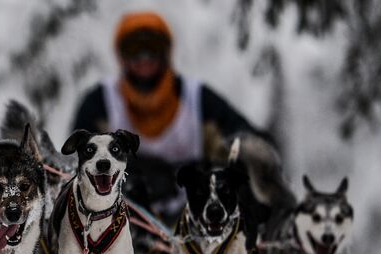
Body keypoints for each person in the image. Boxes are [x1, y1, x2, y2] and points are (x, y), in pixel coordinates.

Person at [72, 10, 265, 222]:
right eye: (134, 49)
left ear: (166, 52)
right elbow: (77, 164)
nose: (144, 59)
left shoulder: (197, 100)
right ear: (121, 56)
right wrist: (134, 175)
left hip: (197, 221)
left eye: (152, 48)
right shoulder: (101, 104)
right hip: (121, 224)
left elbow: (251, 144)